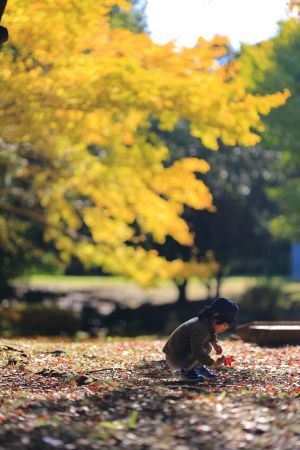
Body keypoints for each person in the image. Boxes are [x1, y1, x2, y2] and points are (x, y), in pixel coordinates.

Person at [162, 297, 239, 382]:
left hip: (182, 353)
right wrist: (213, 363)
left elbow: (211, 332)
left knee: (208, 346)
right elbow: (197, 351)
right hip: (175, 358)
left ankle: (197, 368)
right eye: (224, 325)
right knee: (203, 348)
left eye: (227, 327)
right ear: (215, 316)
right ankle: (187, 372)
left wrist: (215, 344)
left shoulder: (204, 323)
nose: (225, 329)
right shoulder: (199, 329)